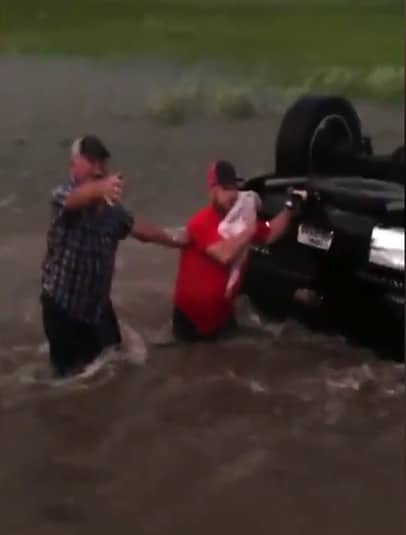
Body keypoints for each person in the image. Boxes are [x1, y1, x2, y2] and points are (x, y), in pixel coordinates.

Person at [41, 135, 183, 376]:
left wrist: (178, 240)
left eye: (102, 161)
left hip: (97, 306)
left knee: (115, 365)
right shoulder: (62, 196)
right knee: (67, 380)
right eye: (91, 160)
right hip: (63, 306)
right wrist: (100, 188)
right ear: (73, 165)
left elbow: (141, 230)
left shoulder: (112, 211)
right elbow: (76, 199)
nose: (98, 167)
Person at [172, 160, 307, 342]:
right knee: (188, 365)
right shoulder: (200, 222)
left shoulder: (240, 223)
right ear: (212, 190)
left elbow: (271, 231)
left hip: (222, 316)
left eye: (234, 188)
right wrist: (250, 231)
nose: (233, 195)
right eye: (226, 189)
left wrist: (290, 206)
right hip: (191, 319)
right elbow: (224, 254)